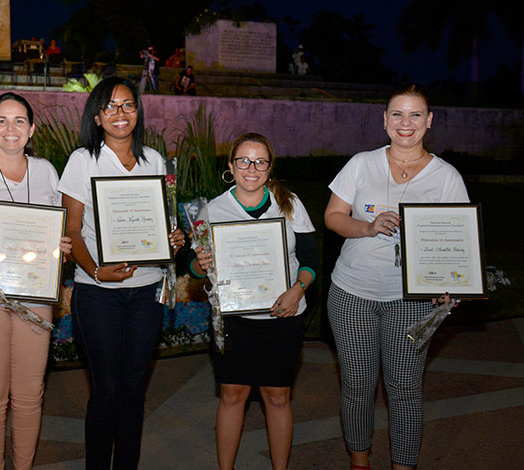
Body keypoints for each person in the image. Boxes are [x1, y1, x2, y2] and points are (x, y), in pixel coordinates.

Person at [324, 83, 468, 470]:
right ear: (385, 120)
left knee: (404, 389)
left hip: (412, 301)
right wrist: (368, 227)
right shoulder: (361, 163)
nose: (407, 123)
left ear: (429, 121)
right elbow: (333, 218)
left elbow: (458, 240)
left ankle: (403, 467)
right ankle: (360, 463)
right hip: (352, 294)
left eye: (416, 114)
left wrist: (451, 283)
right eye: (398, 114)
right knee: (357, 387)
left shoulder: (446, 177)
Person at [57, 76, 184, 469]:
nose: (120, 113)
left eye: (128, 105)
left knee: (133, 390)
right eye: (110, 106)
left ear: (138, 112)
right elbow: (71, 230)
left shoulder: (154, 160)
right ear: (97, 116)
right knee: (107, 390)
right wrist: (96, 271)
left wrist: (172, 237)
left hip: (146, 293)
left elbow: (159, 221)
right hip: (97, 293)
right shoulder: (83, 160)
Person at [0, 92, 71, 470]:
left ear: (32, 128)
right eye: (1, 120)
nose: (10, 128)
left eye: (19, 120)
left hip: (34, 295)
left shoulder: (47, 171)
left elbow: (55, 231)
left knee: (29, 395)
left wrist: (62, 245)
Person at [190, 133, 318, 470]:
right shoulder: (212, 209)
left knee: (277, 396)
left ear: (269, 166)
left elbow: (310, 259)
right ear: (231, 166)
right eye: (243, 160)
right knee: (233, 395)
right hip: (234, 318)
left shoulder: (288, 202)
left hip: (283, 315)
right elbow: (193, 266)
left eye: (260, 161)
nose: (251, 168)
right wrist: (199, 264)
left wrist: (298, 289)